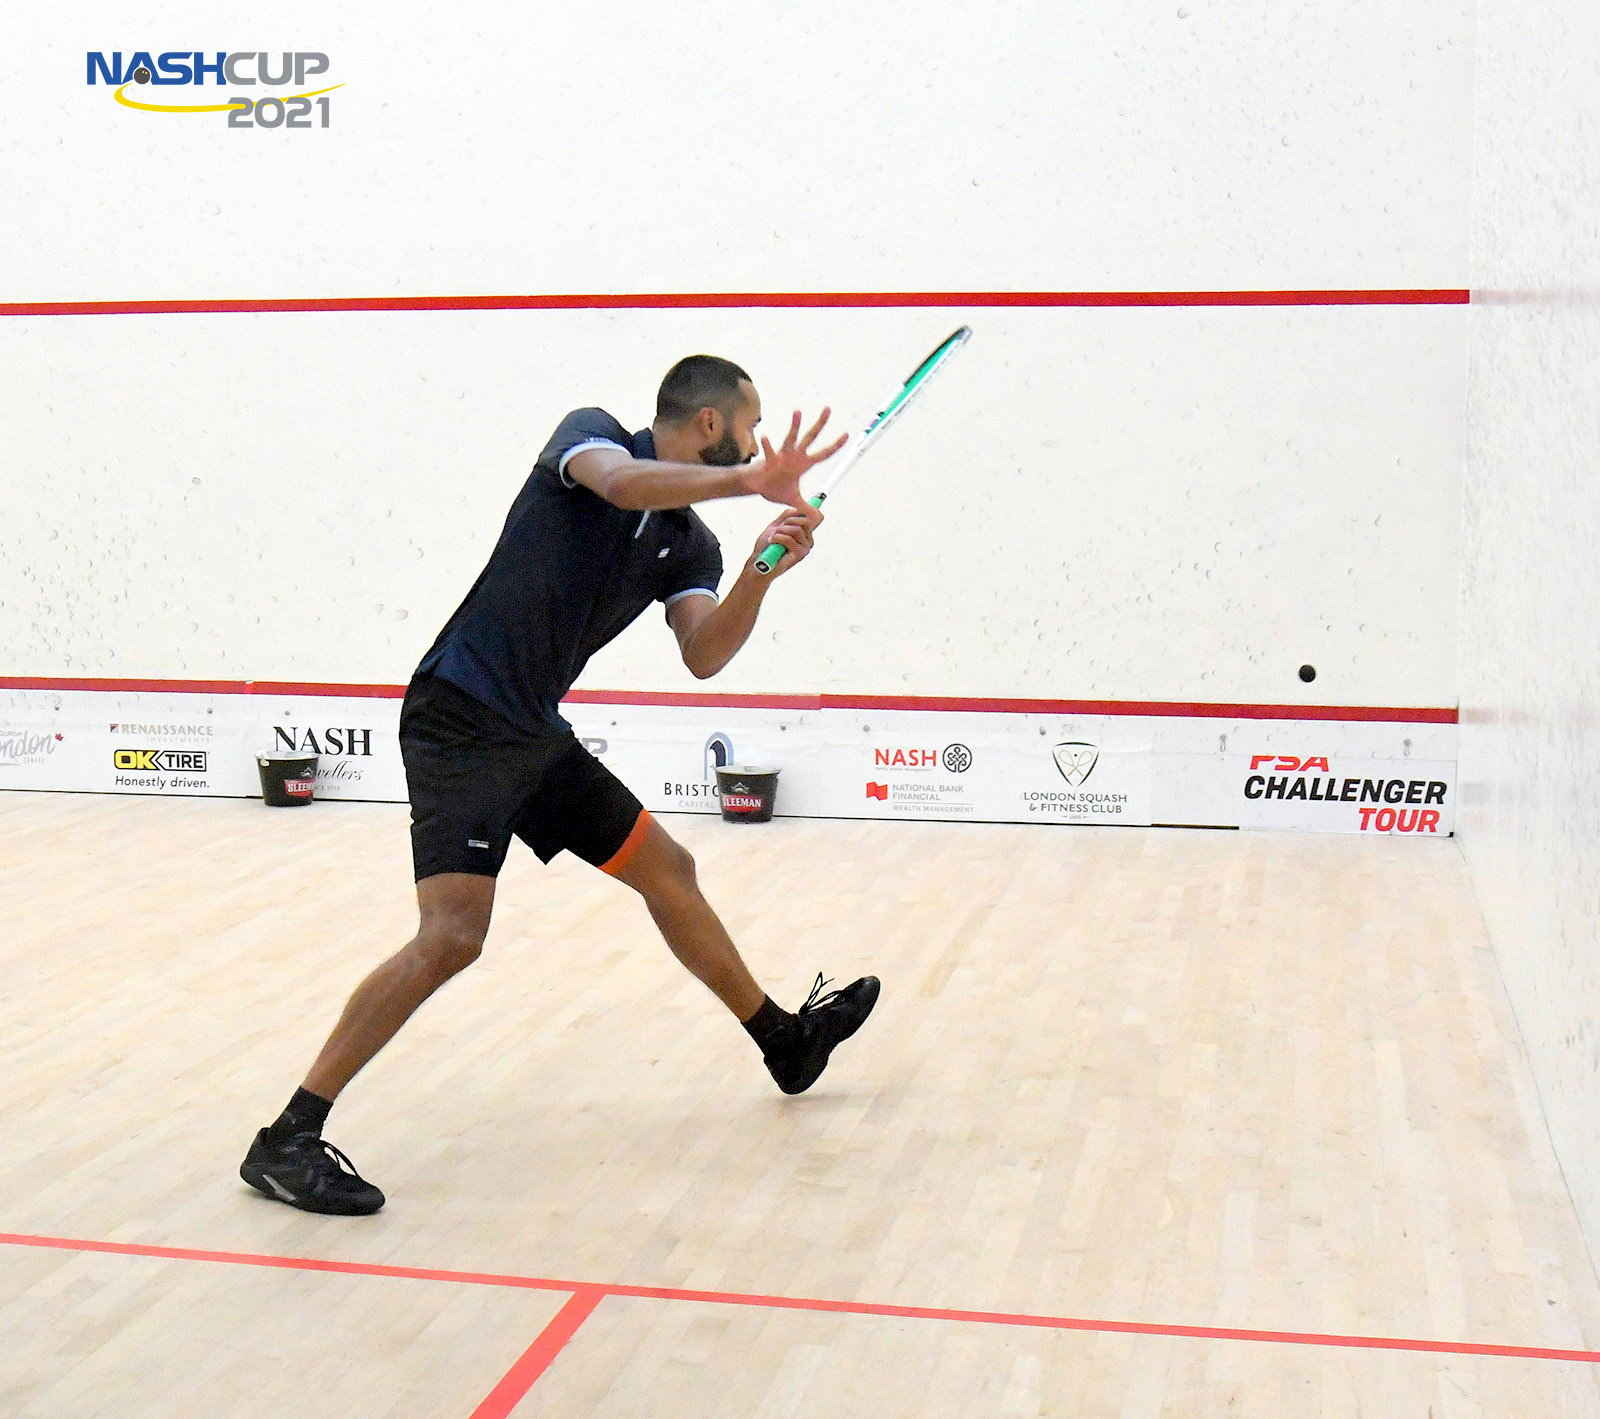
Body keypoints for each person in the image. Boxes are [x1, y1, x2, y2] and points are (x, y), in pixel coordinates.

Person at [240, 355, 881, 1214]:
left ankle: (785, 1043)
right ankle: (286, 1139)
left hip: (533, 732)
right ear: (708, 423)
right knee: (452, 935)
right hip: (460, 715)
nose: (757, 442)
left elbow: (704, 653)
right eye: (751, 425)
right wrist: (749, 483)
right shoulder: (590, 440)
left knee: (669, 870)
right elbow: (619, 485)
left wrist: (759, 572)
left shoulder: (690, 543)